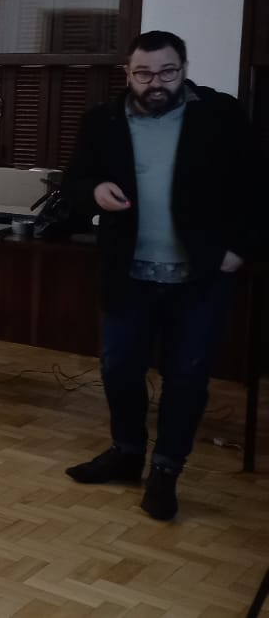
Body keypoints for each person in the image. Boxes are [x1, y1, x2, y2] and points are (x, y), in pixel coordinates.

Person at [62, 30, 253, 521]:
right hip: (130, 273)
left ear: (184, 68)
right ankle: (127, 452)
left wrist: (242, 249)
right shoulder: (102, 122)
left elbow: (258, 186)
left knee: (186, 377)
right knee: (118, 367)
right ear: (127, 73)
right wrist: (93, 191)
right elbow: (74, 184)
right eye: (143, 73)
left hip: (200, 276)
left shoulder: (220, 116)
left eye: (167, 72)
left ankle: (166, 471)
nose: (155, 83)